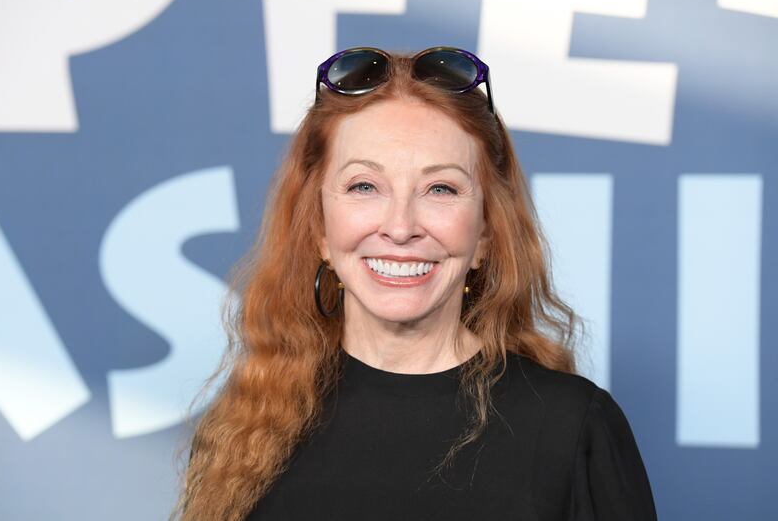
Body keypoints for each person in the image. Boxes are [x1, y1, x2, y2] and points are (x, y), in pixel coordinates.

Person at [171, 46, 658, 521]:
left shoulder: (573, 429)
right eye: (364, 186)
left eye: (440, 188)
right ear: (319, 228)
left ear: (486, 232)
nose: (401, 227)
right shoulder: (246, 428)